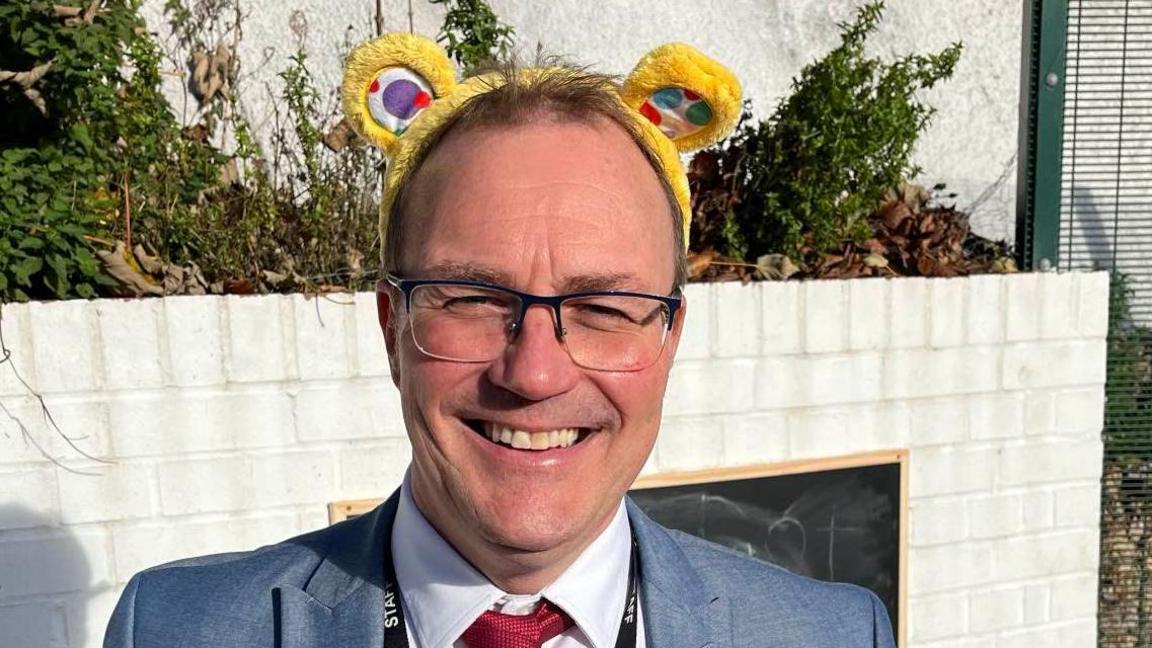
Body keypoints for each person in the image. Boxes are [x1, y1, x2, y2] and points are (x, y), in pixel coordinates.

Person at [104, 34, 895, 648]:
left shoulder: (831, 633)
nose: (536, 371)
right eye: (474, 298)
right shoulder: (176, 627)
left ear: (669, 340)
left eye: (605, 306)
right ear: (392, 328)